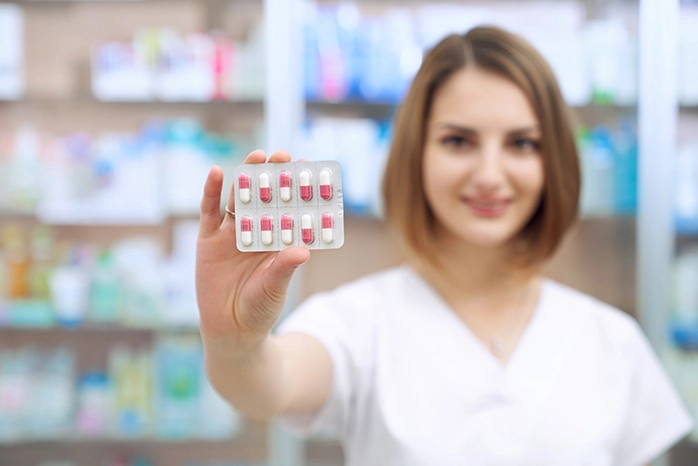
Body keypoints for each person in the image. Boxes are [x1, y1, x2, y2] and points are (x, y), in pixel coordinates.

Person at [196, 26, 693, 465]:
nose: (490, 175)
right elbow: (269, 383)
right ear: (415, 154)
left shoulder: (613, 342)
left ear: (553, 161)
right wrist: (232, 342)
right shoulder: (357, 324)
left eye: (522, 143)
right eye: (458, 141)